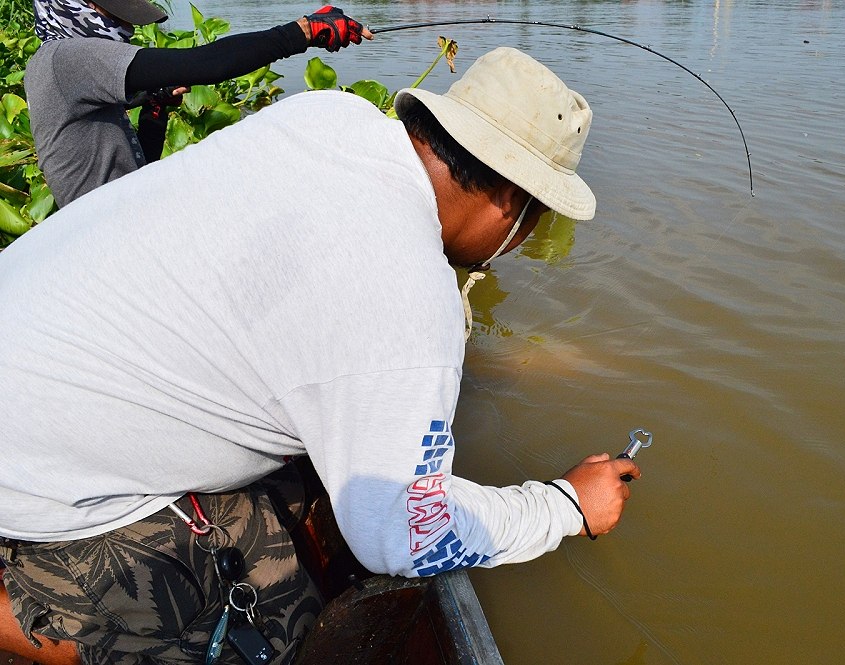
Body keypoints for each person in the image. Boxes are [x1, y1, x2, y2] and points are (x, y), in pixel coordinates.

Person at [0, 47, 641, 664]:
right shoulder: (410, 292)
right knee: (265, 625)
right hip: (24, 466)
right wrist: (564, 505)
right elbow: (404, 536)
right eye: (536, 218)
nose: (527, 238)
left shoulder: (327, 116)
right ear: (509, 201)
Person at [25, 0, 373, 207]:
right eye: (114, 13)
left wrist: (155, 113)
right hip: (106, 248)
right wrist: (301, 32)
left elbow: (129, 175)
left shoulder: (60, 62)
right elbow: (206, 64)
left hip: (118, 226)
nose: (126, 25)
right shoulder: (67, 56)